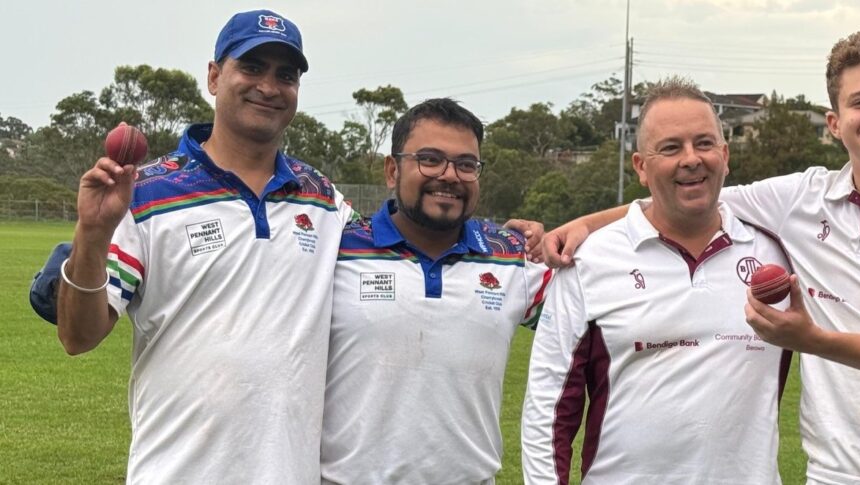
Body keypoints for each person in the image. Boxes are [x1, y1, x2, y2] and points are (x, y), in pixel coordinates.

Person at [543, 31, 860, 484]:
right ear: (834, 123)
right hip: (837, 472)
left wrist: (809, 338)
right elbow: (686, 195)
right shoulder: (800, 198)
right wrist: (584, 224)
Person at [54, 10, 352, 483]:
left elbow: (401, 255)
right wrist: (91, 233)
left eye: (286, 75)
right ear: (214, 76)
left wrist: (509, 240)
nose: (270, 87)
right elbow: (78, 337)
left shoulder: (324, 199)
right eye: (252, 68)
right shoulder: (146, 194)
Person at [521, 78, 791, 484]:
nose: (691, 159)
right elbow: (549, 407)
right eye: (670, 147)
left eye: (704, 144)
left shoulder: (776, 254)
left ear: (725, 155)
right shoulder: (589, 260)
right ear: (641, 168)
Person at [319, 98, 551, 484]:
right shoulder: (335, 251)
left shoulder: (513, 257)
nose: (449, 175)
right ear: (392, 169)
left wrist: (577, 229)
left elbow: (597, 316)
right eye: (429, 159)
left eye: (465, 164)